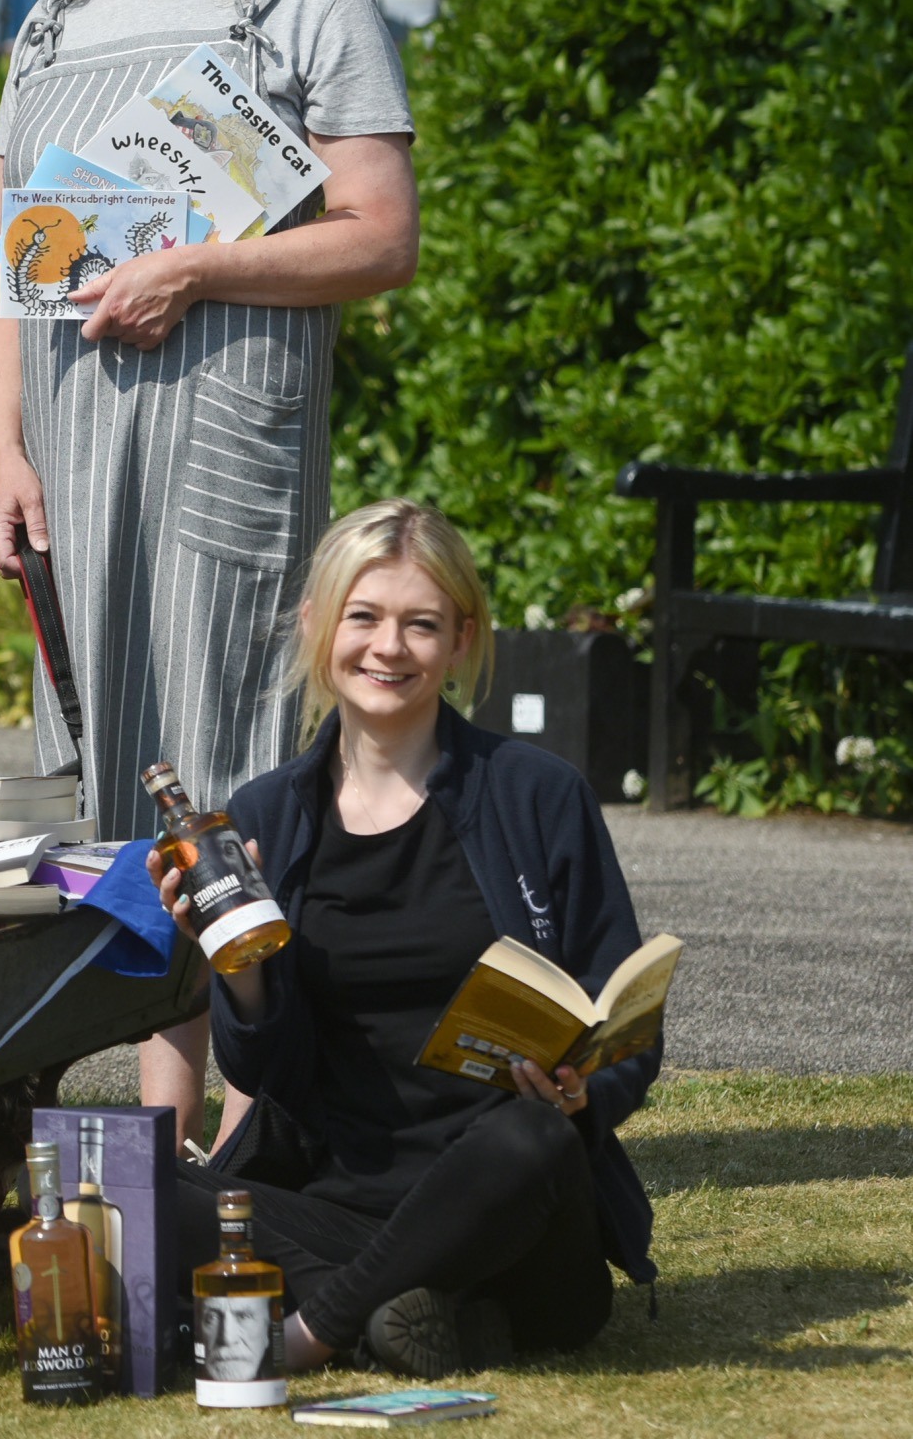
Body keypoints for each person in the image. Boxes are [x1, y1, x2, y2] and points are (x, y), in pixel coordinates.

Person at [0, 0, 419, 1128]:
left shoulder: (309, 3)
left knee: (226, 762)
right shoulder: (51, 25)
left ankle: (257, 1108)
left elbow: (379, 236)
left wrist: (202, 265)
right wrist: (5, 451)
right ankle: (161, 1111)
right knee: (115, 774)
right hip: (78, 454)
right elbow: (7, 264)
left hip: (224, 431)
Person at [157, 501, 657, 1376]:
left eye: (420, 624)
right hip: (340, 1201)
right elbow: (262, 1072)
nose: (387, 647)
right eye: (364, 617)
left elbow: (629, 1023)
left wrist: (585, 1091)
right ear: (317, 626)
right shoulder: (270, 811)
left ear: (461, 638)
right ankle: (431, 1312)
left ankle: (315, 1329)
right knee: (115, 1182)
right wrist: (232, 968)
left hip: (515, 1203)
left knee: (530, 1137)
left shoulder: (538, 794)